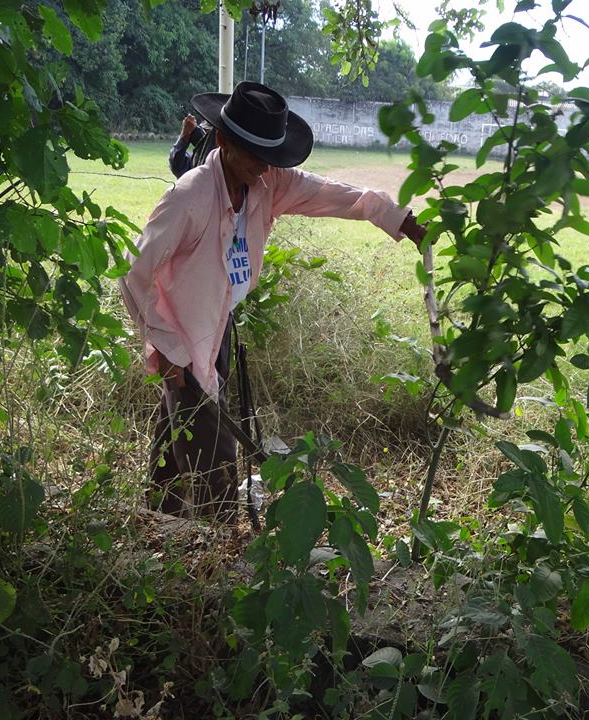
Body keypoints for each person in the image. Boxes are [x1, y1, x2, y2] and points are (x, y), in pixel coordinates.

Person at [121, 82, 426, 521]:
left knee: (178, 425)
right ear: (224, 142)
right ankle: (219, 537)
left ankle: (156, 516)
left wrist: (400, 220)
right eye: (253, 154)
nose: (263, 167)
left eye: (270, 157)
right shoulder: (190, 197)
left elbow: (335, 195)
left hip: (216, 326)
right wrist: (167, 349)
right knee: (214, 450)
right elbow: (134, 273)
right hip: (182, 339)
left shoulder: (267, 183)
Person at [168, 113, 208, 178]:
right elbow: (176, 164)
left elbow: (177, 167)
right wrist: (185, 135)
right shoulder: (196, 160)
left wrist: (185, 134)